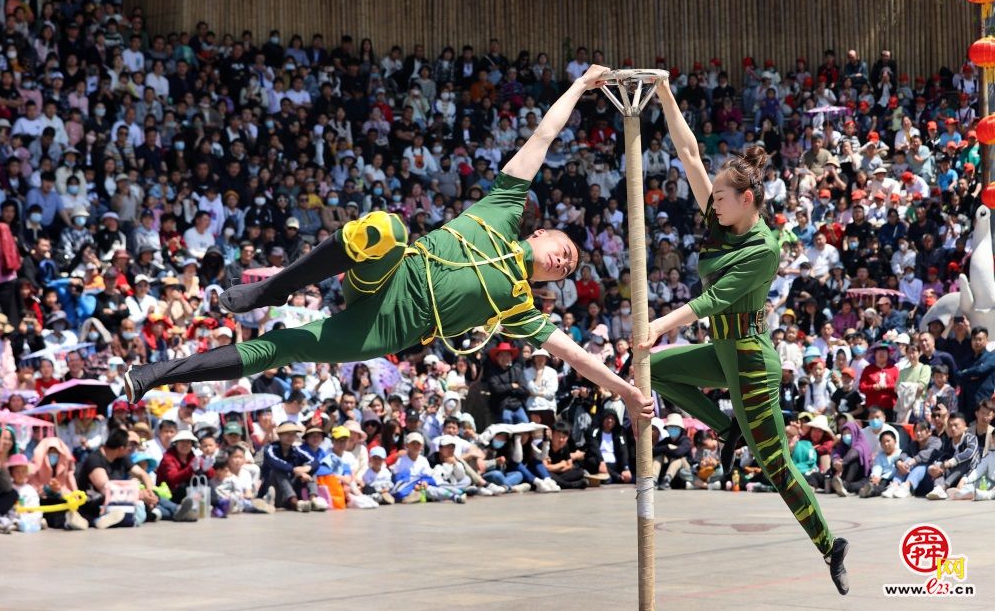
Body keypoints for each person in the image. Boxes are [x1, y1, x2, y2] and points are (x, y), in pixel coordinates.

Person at [122, 64, 654, 428]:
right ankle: (273, 290)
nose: (565, 262)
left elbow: (579, 357)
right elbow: (540, 138)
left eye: (567, 270)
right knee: (389, 228)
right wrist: (580, 86)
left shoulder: (517, 307)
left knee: (282, 349)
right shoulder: (500, 211)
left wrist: (629, 393)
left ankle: (152, 376)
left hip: (389, 327)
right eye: (564, 249)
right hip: (390, 277)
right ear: (539, 234)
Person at [643, 72, 848, 595]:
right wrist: (665, 91)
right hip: (721, 351)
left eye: (721, 196)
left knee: (774, 463)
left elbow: (712, 300)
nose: (711, 201)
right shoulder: (721, 221)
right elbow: (689, 153)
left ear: (749, 198)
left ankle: (829, 545)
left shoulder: (763, 248)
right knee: (647, 371)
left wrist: (658, 324)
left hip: (752, 361)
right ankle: (724, 426)